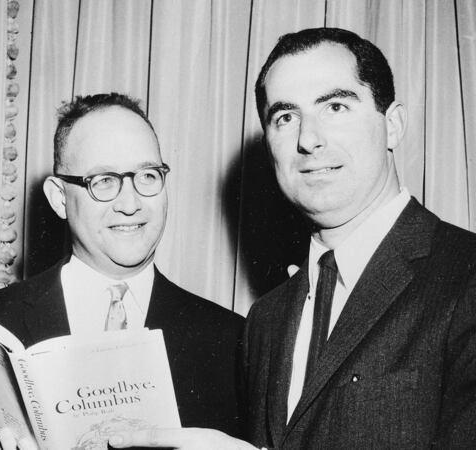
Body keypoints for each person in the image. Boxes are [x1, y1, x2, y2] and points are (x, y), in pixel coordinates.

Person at [111, 27, 476, 450]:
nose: (308, 139)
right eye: (286, 118)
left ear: (393, 125)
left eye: (336, 106)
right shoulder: (266, 320)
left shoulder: (465, 279)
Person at [0, 93, 245, 449]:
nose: (130, 204)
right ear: (59, 198)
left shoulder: (233, 339)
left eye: (147, 175)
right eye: (104, 181)